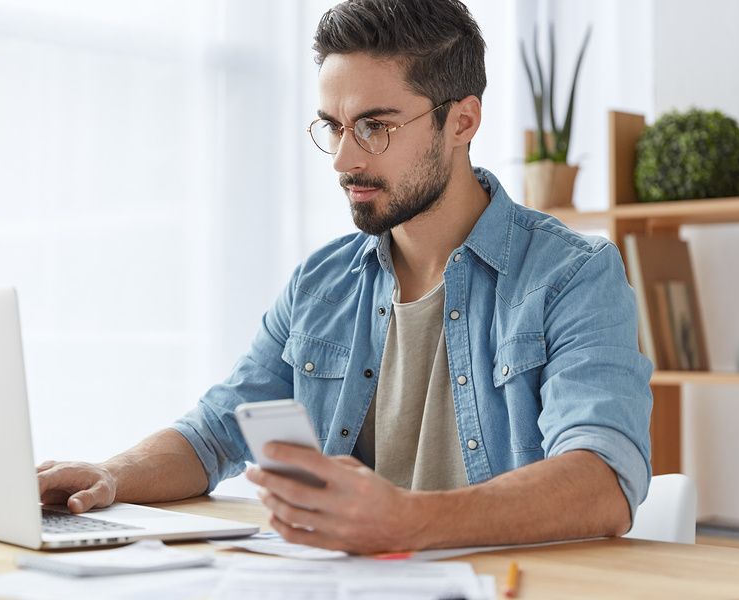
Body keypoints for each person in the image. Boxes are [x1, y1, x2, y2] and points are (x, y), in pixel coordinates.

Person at [37, 0, 653, 554]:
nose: (344, 158)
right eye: (333, 125)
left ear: (462, 122)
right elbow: (216, 432)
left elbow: (603, 478)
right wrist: (112, 474)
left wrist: (410, 520)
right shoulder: (321, 283)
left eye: (375, 126)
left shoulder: (572, 274)